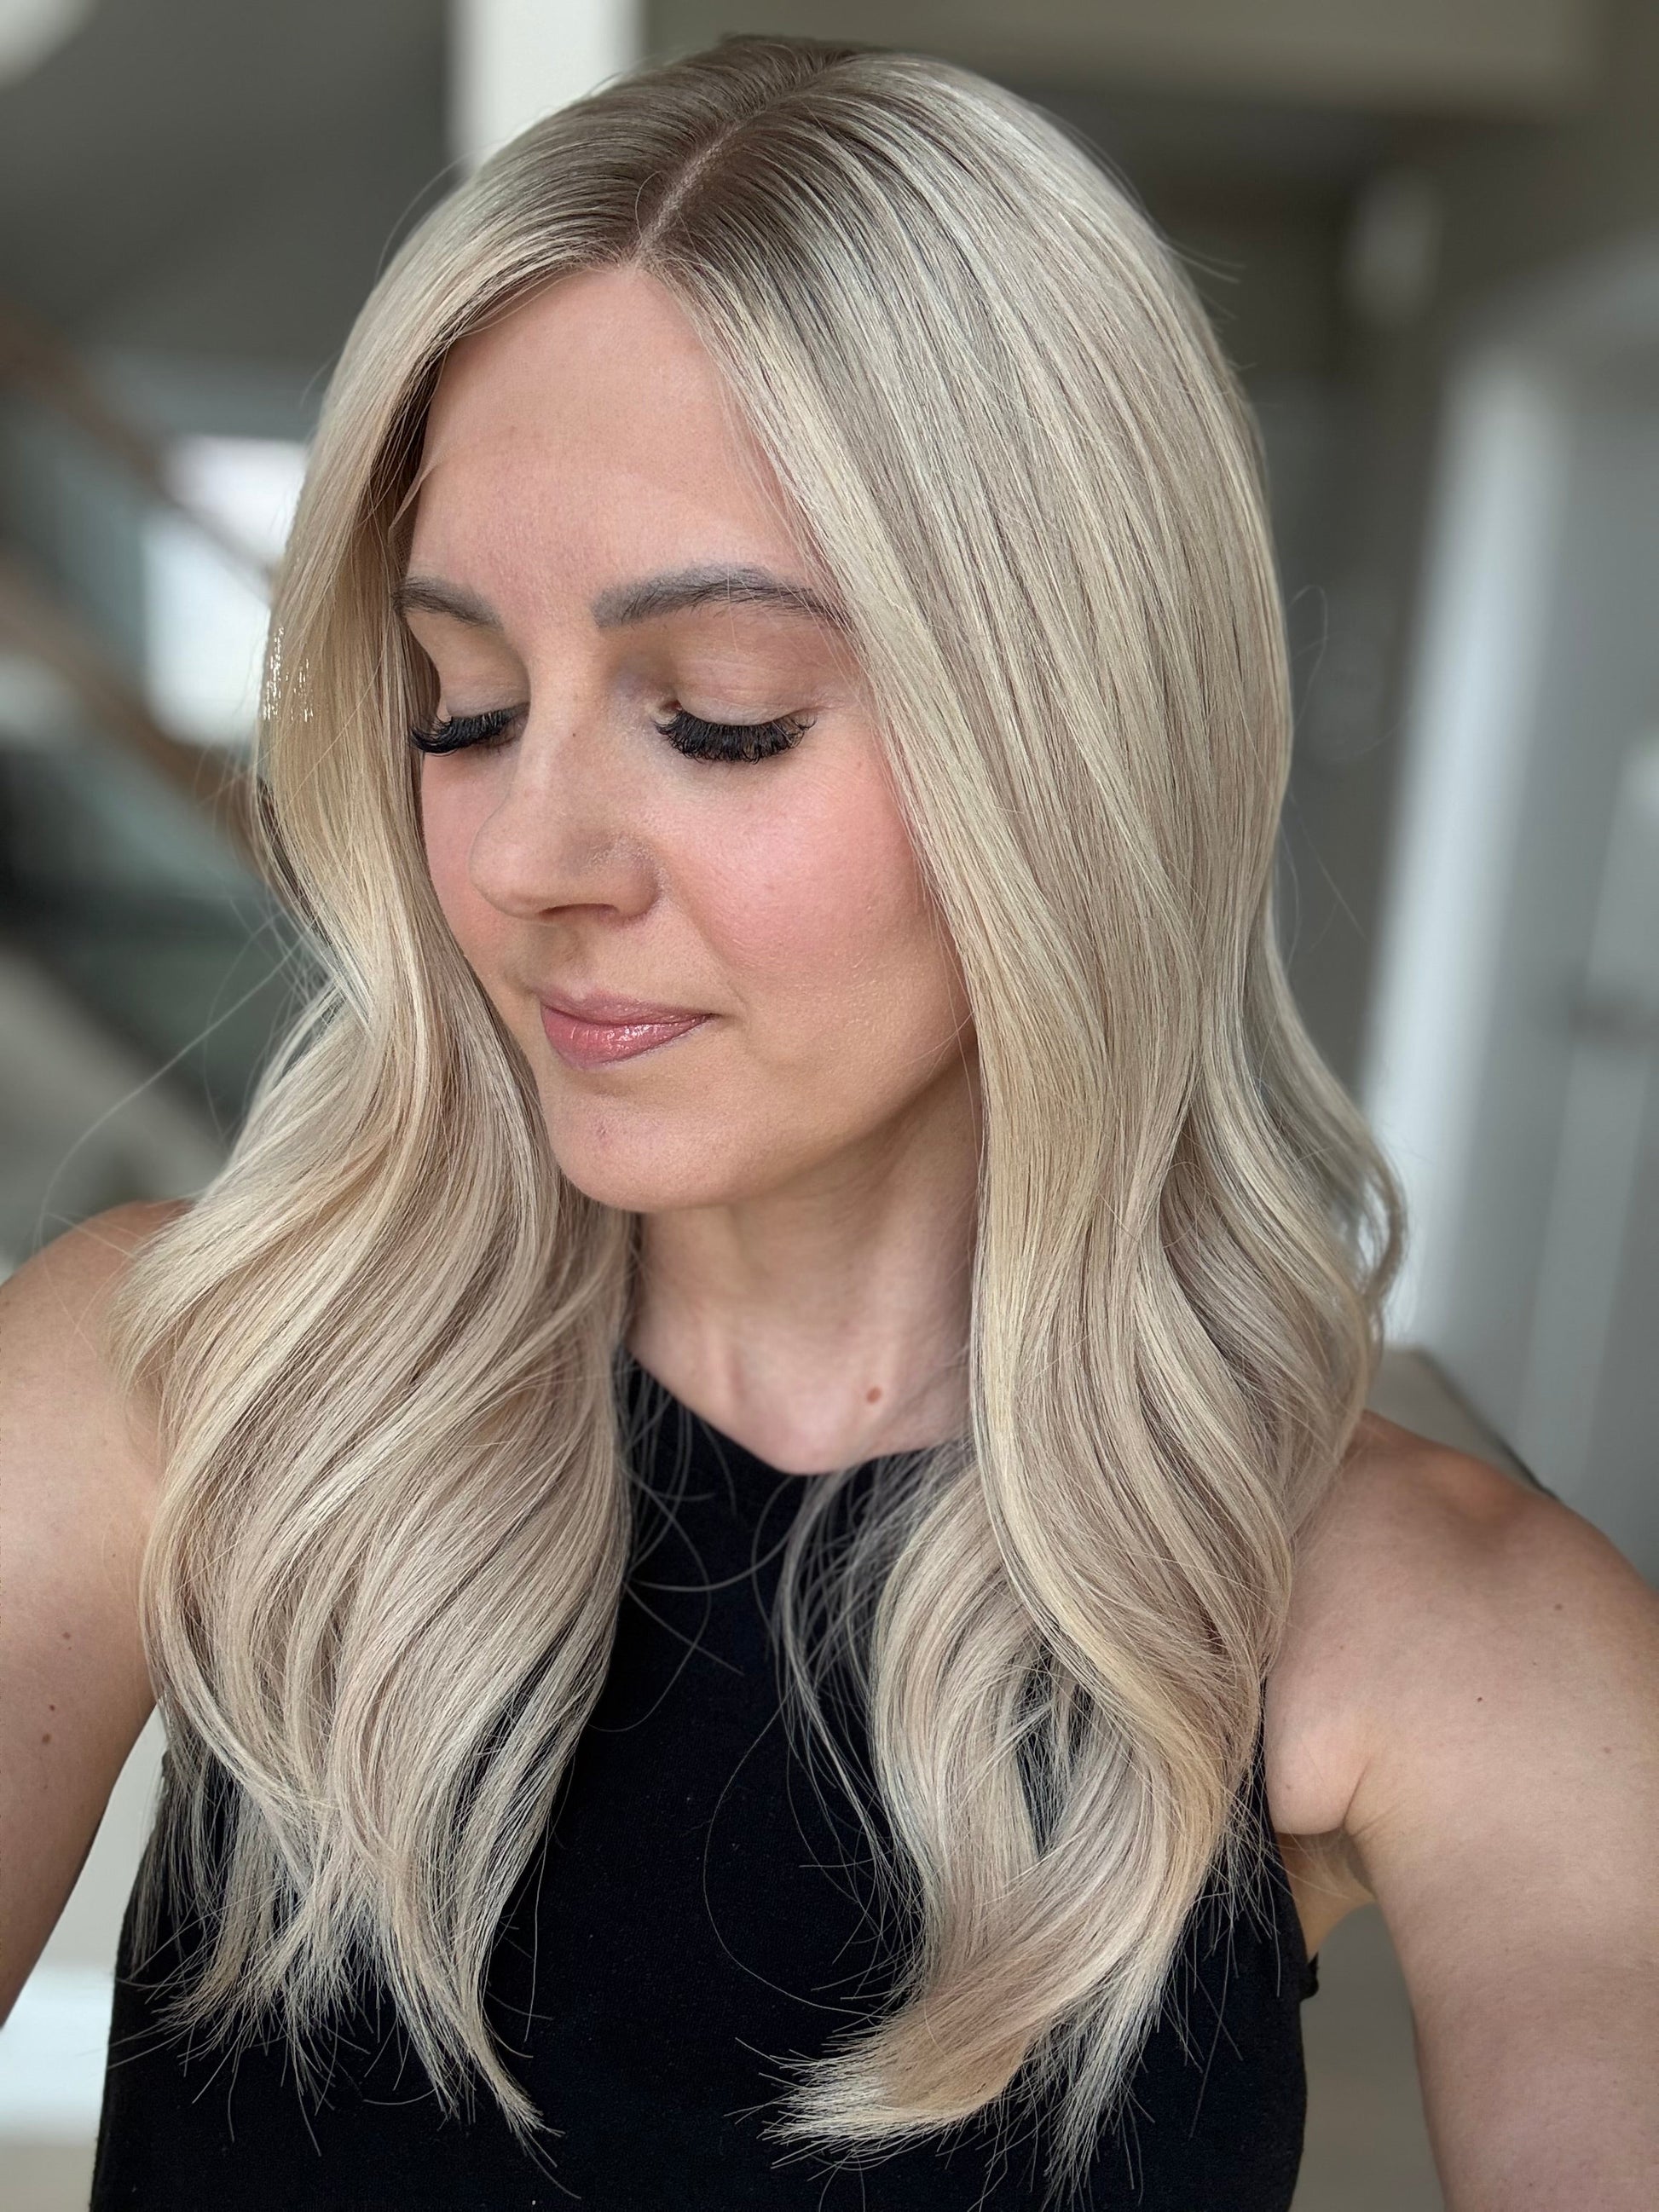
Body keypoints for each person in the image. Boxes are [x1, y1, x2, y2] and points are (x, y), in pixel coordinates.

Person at [3, 32, 1656, 2212]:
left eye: (720, 717)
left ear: (1069, 750)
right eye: (457, 703)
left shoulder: (1446, 1630)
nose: (524, 856)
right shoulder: (166, 1391)